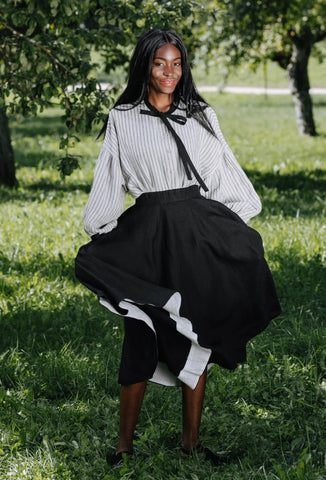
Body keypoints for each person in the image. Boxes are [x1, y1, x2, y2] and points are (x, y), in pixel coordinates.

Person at [75, 29, 281, 466]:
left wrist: (226, 227)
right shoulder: (123, 117)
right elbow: (110, 179)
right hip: (149, 236)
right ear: (144, 66)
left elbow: (223, 170)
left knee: (197, 331)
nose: (169, 72)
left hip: (196, 233)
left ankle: (191, 443)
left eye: (177, 63)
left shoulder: (201, 114)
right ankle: (123, 447)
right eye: (159, 63)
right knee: (142, 333)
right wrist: (105, 231)